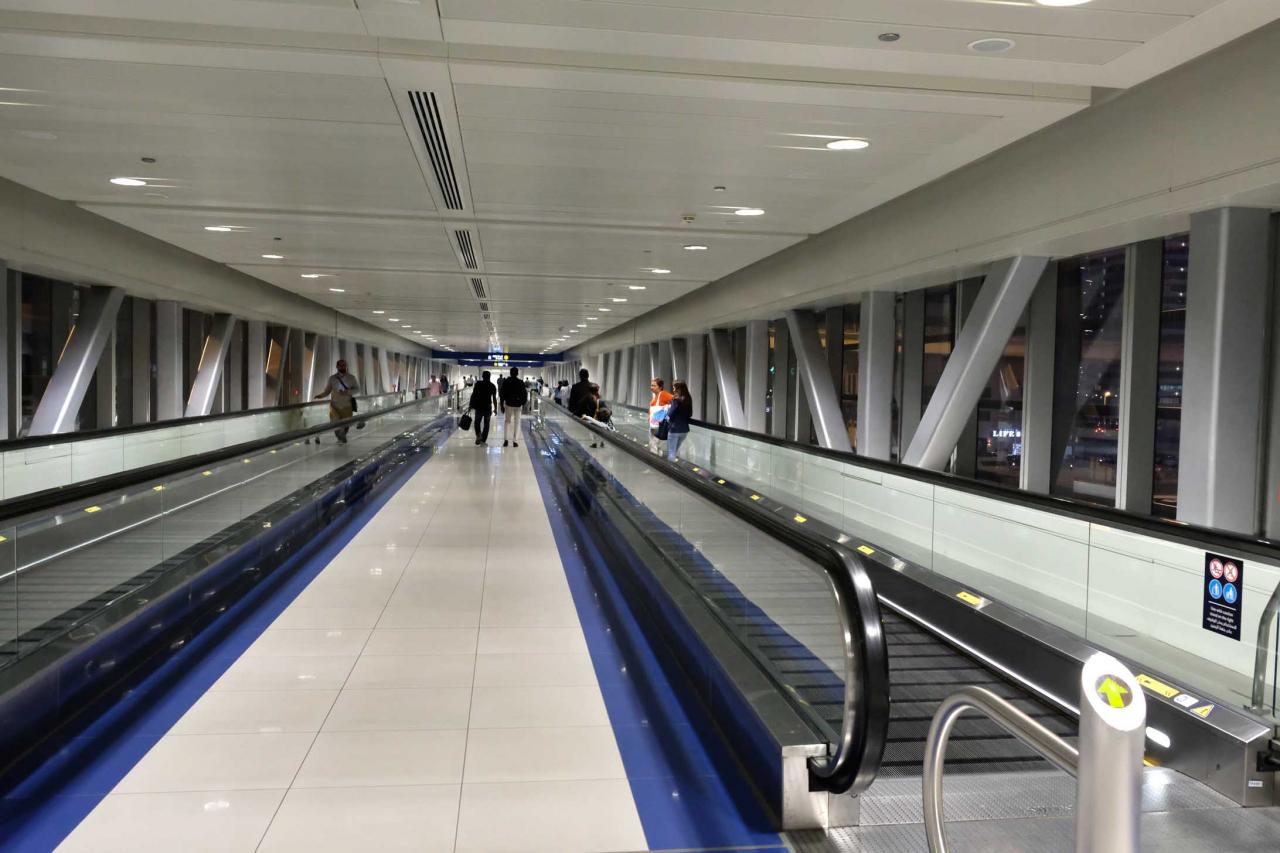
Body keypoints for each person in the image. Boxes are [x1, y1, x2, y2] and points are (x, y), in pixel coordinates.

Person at [314, 358, 360, 444]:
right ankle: (340, 437)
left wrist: (347, 392)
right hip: (334, 405)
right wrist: (320, 396)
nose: (343, 367)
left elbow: (357, 389)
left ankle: (342, 436)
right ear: (337, 367)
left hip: (347, 405)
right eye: (341, 365)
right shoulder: (332, 378)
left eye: (344, 365)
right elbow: (327, 391)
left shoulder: (351, 378)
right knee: (335, 423)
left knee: (346, 424)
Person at [664, 380, 693, 461]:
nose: (673, 390)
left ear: (679, 389)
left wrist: (666, 415)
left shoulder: (676, 400)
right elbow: (690, 414)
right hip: (684, 430)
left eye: (674, 388)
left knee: (671, 453)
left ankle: (670, 470)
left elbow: (670, 414)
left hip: (674, 429)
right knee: (675, 451)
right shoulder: (688, 399)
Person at [499, 366, 528, 448]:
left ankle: (506, 440)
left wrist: (501, 405)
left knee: (507, 422)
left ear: (510, 373)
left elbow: (502, 394)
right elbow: (524, 394)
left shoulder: (506, 381)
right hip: (518, 405)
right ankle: (515, 441)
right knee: (517, 422)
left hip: (508, 404)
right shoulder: (520, 382)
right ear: (517, 373)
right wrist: (522, 403)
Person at [468, 370, 498, 446]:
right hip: (487, 407)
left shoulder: (478, 384)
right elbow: (494, 398)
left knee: (477, 422)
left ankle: (478, 435)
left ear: (482, 376)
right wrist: (495, 408)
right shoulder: (492, 386)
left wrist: (470, 405)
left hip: (479, 407)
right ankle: (483, 441)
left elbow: (473, 395)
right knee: (486, 424)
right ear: (489, 376)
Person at [647, 377, 673, 453]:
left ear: (660, 387)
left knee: (654, 446)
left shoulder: (663, 394)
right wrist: (649, 415)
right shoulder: (655, 397)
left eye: (654, 385)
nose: (651, 387)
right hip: (653, 426)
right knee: (655, 446)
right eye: (651, 385)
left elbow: (675, 401)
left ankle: (654, 462)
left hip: (659, 426)